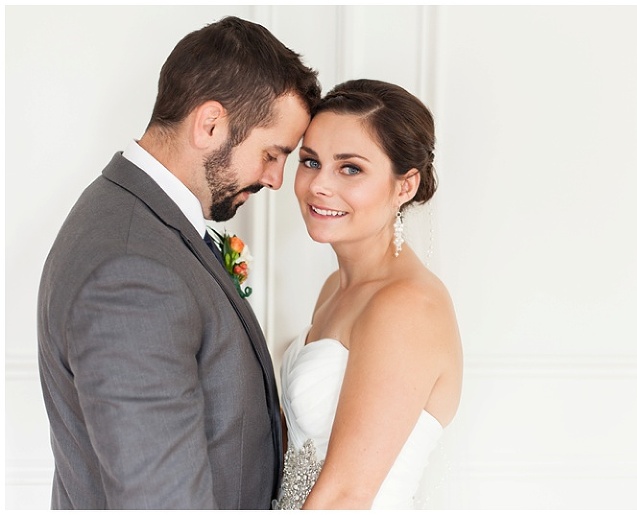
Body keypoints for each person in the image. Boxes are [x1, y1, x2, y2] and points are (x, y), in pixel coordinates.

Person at [37, 16, 320, 509]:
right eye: (272, 154)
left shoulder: (132, 215)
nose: (276, 179)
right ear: (210, 124)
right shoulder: (130, 271)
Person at [276, 79, 463, 509]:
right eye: (310, 161)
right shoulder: (333, 289)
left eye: (350, 168)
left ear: (405, 186)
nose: (319, 185)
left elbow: (347, 494)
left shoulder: (408, 306)